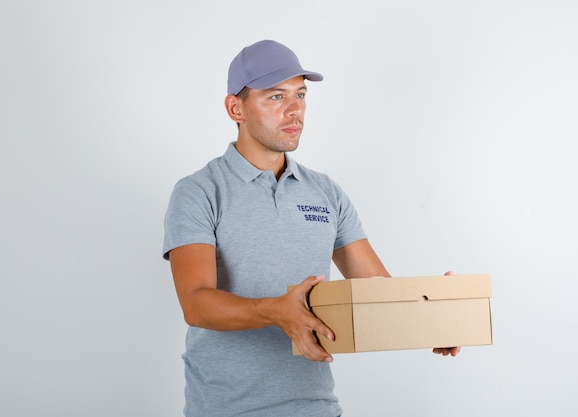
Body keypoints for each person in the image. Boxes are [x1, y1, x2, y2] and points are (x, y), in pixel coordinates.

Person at [163, 39, 459, 417]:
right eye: (275, 97)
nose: (294, 110)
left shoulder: (325, 192)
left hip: (315, 408)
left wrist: (434, 315)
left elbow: (375, 290)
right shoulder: (199, 191)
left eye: (300, 95)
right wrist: (277, 311)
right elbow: (196, 303)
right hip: (226, 409)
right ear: (235, 108)